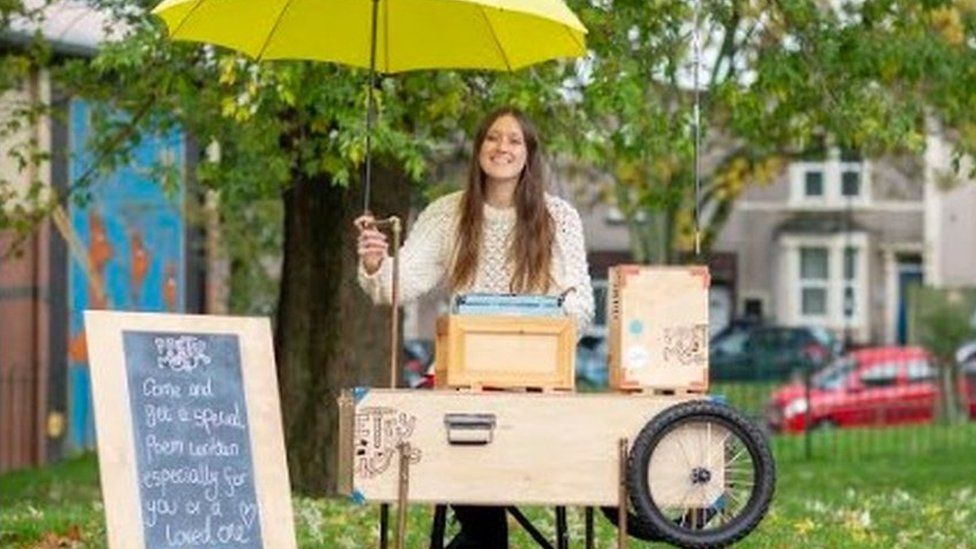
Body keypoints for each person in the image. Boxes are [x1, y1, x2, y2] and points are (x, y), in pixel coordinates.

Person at [355, 107, 595, 548]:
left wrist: (528, 330)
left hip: (533, 388)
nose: (502, 148)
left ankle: (484, 535)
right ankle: (485, 534)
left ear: (529, 154)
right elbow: (397, 285)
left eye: (514, 140)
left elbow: (580, 306)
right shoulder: (447, 214)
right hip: (459, 385)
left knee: (485, 513)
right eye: (493, 138)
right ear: (479, 148)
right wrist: (375, 263)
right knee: (447, 436)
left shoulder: (558, 217)